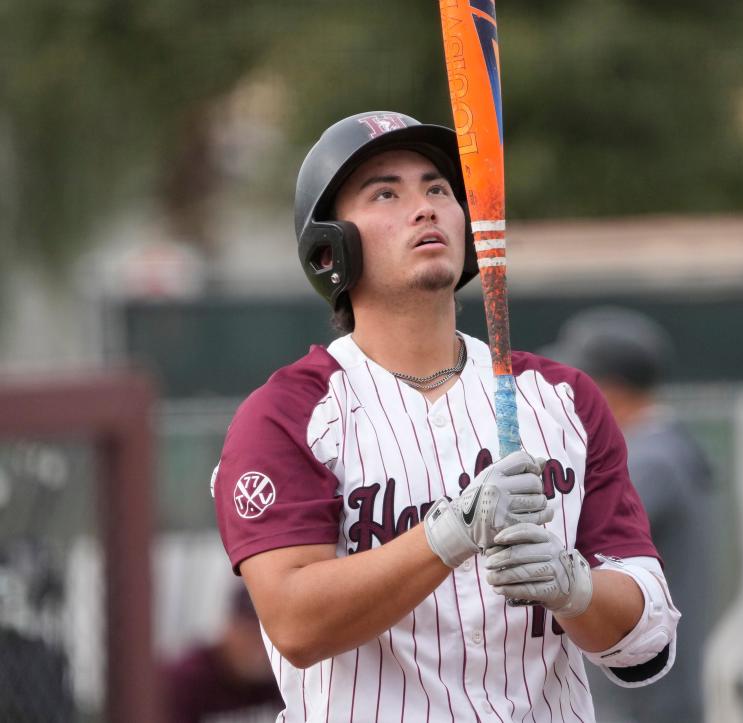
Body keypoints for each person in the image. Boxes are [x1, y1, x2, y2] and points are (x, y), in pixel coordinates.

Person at [211, 111, 680, 722]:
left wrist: (576, 589)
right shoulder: (288, 415)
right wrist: (450, 533)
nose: (425, 207)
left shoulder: (561, 397)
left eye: (438, 188)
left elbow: (647, 642)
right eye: (386, 193)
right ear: (330, 246)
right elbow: (297, 622)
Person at [545, 307, 715, 723]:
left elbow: (569, 534)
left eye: (580, 383)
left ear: (611, 390)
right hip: (649, 690)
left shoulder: (651, 458)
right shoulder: (665, 446)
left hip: (641, 698)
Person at [161, 586, 282, 723]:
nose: (257, 649)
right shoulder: (189, 680)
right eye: (249, 634)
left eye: (265, 638)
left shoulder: (281, 676)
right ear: (230, 628)